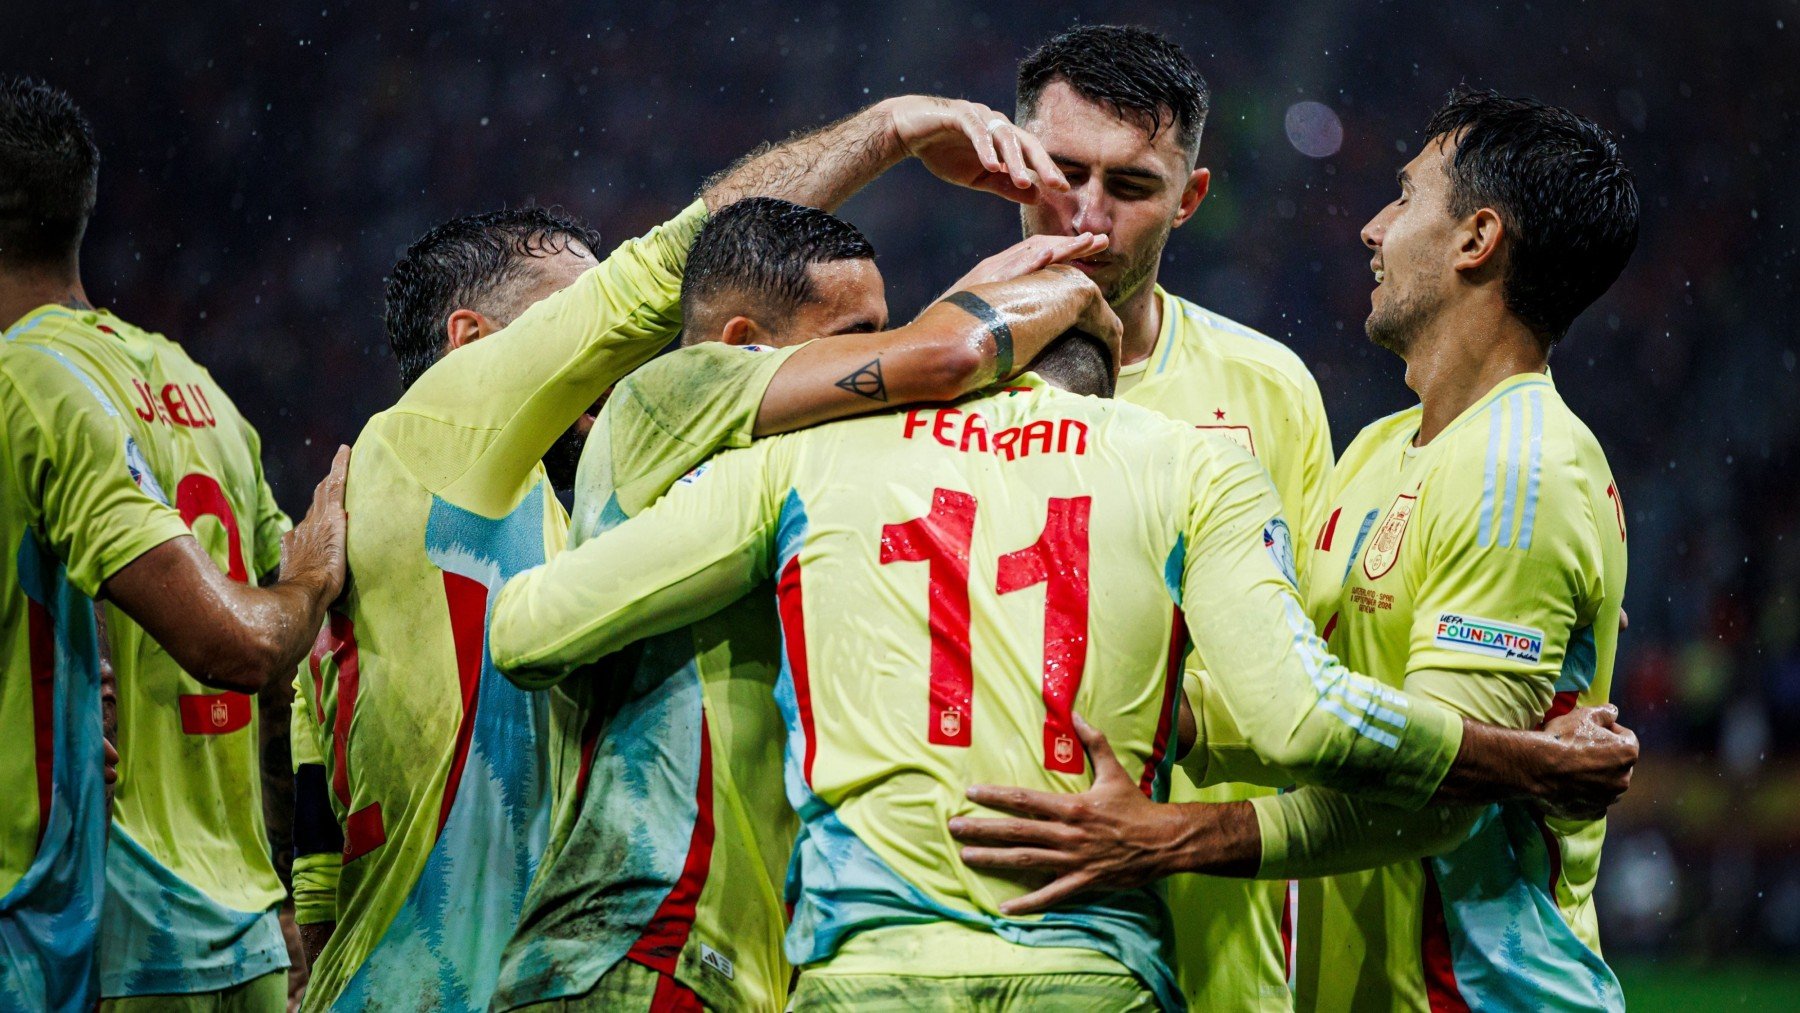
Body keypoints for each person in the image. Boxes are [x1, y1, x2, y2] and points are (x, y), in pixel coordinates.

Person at [483, 320, 1633, 1010]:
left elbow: (528, 630)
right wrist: (1513, 758)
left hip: (874, 966)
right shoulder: (1186, 461)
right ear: (1106, 380)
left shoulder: (815, 457)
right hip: (1094, 966)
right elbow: (1298, 720)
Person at [293, 93, 1075, 1012]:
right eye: (572, 317)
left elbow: (314, 859)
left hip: (524, 974)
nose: (620, 350)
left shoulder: (569, 517)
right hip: (443, 989)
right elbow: (678, 262)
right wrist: (893, 129)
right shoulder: (421, 435)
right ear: (472, 344)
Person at [949, 87, 1640, 1013]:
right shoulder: (1381, 449)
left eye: (1403, 197)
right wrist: (1152, 712)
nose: (1370, 227)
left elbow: (1436, 803)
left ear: (1477, 239)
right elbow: (1304, 693)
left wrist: (1168, 835)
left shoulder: (1522, 474)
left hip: (1477, 994)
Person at [488, 196, 1120, 1012]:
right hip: (637, 945)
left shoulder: (792, 472)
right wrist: (1073, 292)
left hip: (727, 965)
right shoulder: (668, 393)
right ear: (743, 348)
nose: (881, 360)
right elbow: (943, 358)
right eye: (860, 338)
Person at [0, 76, 347, 1012]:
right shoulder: (199, 391)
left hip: (100, 936)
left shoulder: (23, 381)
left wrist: (304, 583)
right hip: (246, 938)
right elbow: (291, 685)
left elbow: (245, 644)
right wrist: (281, 881)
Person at [1011, 26, 1333, 1009]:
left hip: (1210, 949)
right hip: (963, 929)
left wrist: (1168, 720)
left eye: (1133, 186)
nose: (1089, 215)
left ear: (1189, 199)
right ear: (1008, 165)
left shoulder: (1268, 391)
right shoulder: (910, 378)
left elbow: (1321, 660)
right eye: (1061, 172)